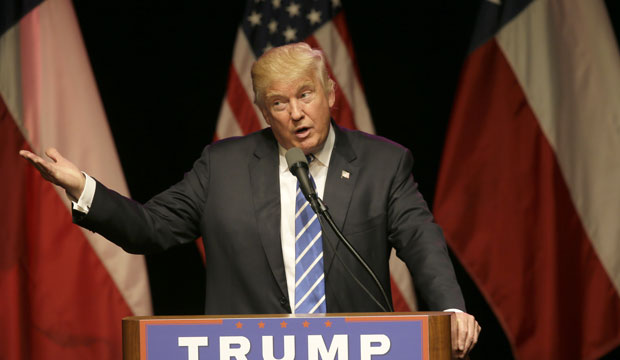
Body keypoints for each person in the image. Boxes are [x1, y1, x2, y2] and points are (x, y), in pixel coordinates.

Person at [20, 42, 480, 357]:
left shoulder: (384, 164)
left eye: (306, 95)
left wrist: (451, 309)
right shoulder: (223, 167)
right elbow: (150, 228)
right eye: (279, 103)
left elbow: (421, 239)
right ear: (263, 111)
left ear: (330, 93)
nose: (296, 113)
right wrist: (82, 186)